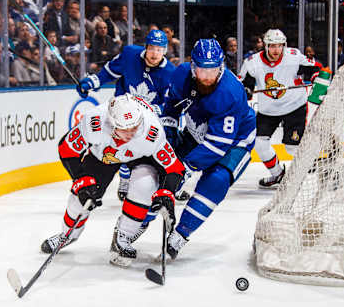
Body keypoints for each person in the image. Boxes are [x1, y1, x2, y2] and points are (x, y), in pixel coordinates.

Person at [41, 94, 185, 267]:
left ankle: (123, 238)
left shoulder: (151, 130)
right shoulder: (94, 121)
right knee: (79, 201)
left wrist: (167, 192)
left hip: (141, 157)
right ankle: (67, 235)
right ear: (111, 123)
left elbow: (174, 168)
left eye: (135, 127)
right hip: (103, 156)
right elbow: (67, 149)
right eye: (125, 129)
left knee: (145, 186)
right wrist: (81, 181)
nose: (131, 134)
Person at [153, 38, 256, 259]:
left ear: (221, 67)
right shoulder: (181, 74)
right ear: (193, 67)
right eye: (202, 70)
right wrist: (169, 132)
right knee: (160, 174)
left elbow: (218, 145)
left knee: (216, 181)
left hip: (234, 142)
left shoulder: (230, 92)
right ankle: (132, 228)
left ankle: (181, 234)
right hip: (195, 132)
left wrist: (185, 167)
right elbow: (171, 106)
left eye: (213, 70)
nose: (207, 77)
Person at [77, 29, 182, 201]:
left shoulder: (170, 73)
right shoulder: (130, 54)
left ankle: (166, 183)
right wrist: (93, 81)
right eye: (152, 48)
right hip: (121, 112)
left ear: (165, 50)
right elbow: (110, 71)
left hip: (146, 119)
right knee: (115, 143)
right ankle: (123, 177)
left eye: (159, 49)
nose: (155, 53)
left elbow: (169, 102)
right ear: (146, 47)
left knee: (144, 148)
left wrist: (158, 111)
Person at [239, 29, 322, 188]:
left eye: (279, 46)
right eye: (272, 46)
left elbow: (315, 68)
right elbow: (244, 85)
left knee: (292, 148)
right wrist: (246, 90)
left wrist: (316, 78)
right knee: (259, 143)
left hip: (294, 107)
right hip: (268, 111)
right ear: (265, 46)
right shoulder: (252, 62)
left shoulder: (293, 56)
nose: (276, 50)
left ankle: (323, 167)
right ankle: (278, 175)